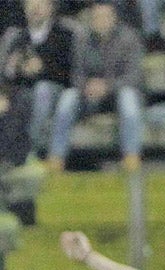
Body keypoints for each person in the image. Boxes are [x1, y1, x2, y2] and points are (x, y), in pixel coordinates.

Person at [46, 0, 144, 172]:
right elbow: (75, 74)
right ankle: (56, 158)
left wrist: (107, 86)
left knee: (129, 97)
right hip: (88, 96)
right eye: (97, 17)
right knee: (68, 98)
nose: (101, 21)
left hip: (116, 95)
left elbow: (134, 77)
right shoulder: (82, 38)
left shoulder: (130, 38)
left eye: (105, 17)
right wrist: (87, 86)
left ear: (114, 18)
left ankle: (131, 157)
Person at [0, 0, 78, 159]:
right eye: (31, 5)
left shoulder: (64, 34)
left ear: (50, 8)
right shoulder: (17, 36)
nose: (35, 9)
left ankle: (31, 152)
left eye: (40, 5)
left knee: (41, 91)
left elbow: (70, 73)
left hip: (55, 90)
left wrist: (42, 70)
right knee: (15, 100)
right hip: (20, 91)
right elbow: (7, 74)